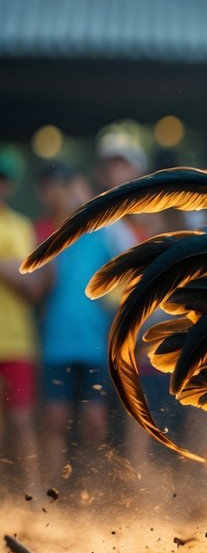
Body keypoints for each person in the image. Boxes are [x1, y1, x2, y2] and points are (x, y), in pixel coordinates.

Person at [32, 166, 122, 489]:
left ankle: (94, 497)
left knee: (94, 424)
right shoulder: (45, 235)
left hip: (94, 344)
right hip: (56, 343)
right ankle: (51, 494)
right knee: (54, 420)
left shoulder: (105, 236)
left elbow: (120, 287)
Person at [0, 158, 40, 493]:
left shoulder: (20, 226)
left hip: (16, 342)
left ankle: (32, 492)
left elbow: (32, 284)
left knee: (21, 421)